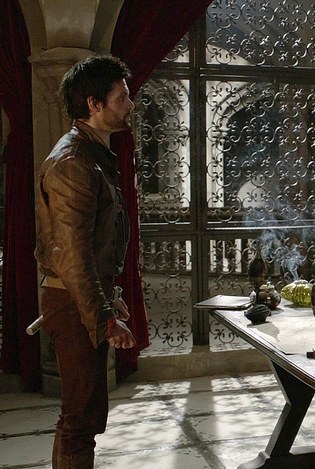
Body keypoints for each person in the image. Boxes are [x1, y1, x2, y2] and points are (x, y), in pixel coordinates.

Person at [34, 55, 137, 469]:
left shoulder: (91, 154)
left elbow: (93, 244)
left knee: (83, 415)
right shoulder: (74, 162)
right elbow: (72, 256)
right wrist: (104, 319)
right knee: (80, 418)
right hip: (71, 302)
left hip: (80, 298)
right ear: (94, 104)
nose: (130, 104)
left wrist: (109, 296)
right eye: (122, 97)